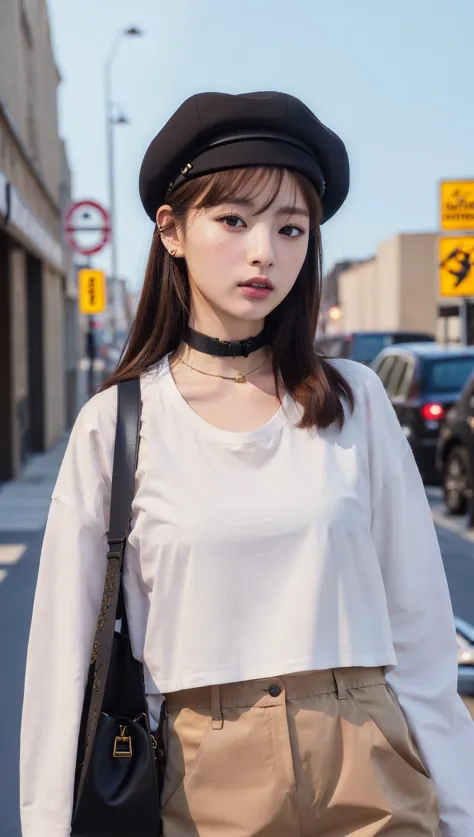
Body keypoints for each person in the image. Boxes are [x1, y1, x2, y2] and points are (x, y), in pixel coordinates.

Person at [20, 91, 474, 837]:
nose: (265, 251)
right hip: (204, 782)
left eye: (291, 227)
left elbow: (422, 637)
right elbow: (62, 668)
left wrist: (461, 812)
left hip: (373, 765)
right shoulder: (119, 425)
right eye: (233, 220)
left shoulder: (353, 401)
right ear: (172, 229)